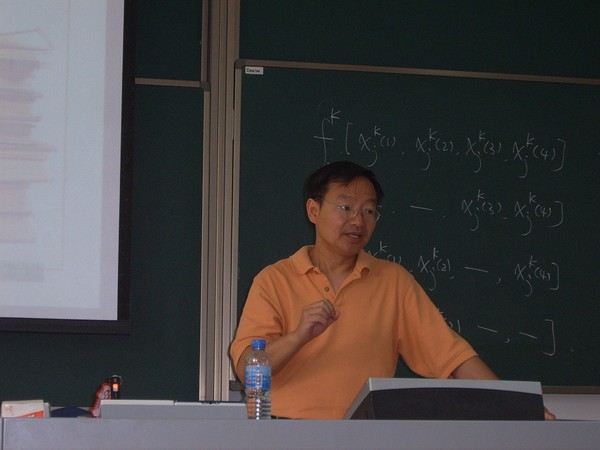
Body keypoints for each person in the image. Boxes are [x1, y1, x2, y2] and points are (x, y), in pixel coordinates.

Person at [230, 160, 555, 420]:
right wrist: (299, 335)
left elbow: (452, 356)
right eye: (345, 207)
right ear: (313, 210)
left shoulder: (393, 281)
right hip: (285, 433)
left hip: (367, 437)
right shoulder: (274, 279)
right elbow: (248, 369)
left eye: (369, 211)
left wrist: (519, 407)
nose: (358, 221)